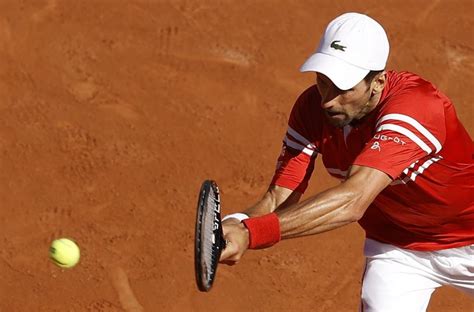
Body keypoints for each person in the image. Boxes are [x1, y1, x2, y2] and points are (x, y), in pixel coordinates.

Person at [219, 12, 474, 312]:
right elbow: (278, 198)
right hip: (399, 249)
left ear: (377, 82)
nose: (328, 100)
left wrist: (252, 234)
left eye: (343, 88)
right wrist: (236, 224)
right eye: (323, 82)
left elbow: (353, 199)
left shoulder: (416, 107)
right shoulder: (312, 110)